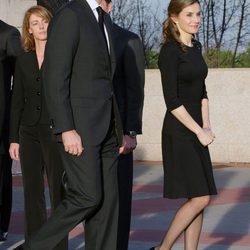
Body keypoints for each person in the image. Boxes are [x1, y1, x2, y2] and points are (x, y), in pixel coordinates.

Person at [14, 0, 123, 249]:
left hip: (107, 128)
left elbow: (106, 78)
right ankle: (34, 246)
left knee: (106, 204)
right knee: (87, 196)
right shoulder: (70, 15)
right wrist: (65, 128)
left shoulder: (104, 19)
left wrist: (119, 128)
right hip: (80, 129)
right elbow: (55, 76)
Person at [155, 0, 217, 249]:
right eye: (189, 14)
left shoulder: (196, 47)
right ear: (173, 18)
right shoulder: (170, 51)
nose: (196, 19)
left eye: (198, 14)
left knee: (198, 195)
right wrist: (198, 130)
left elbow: (202, 91)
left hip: (197, 131)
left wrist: (207, 126)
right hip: (179, 131)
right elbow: (172, 101)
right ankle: (163, 248)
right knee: (200, 198)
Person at [9, 6, 67, 250]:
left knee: (58, 191)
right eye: (35, 23)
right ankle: (35, 244)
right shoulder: (23, 60)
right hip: (29, 132)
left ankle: (58, 245)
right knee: (32, 193)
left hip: (55, 132)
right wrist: (14, 138)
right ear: (29, 30)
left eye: (44, 22)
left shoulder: (62, 56)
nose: (41, 27)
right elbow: (16, 102)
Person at [100, 1, 144, 249]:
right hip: (87, 136)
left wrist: (130, 131)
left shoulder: (129, 40)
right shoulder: (80, 41)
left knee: (119, 198)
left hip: (119, 137)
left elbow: (135, 91)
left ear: (109, 6)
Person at [0, 19, 22, 242]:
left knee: (1, 175)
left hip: (1, 120)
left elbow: (21, 78)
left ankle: (1, 225)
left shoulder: (8, 33)